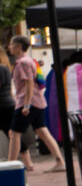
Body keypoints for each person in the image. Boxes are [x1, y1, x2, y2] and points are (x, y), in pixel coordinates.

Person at [6, 35, 65, 171]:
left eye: (11, 44)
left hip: (27, 102)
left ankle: (10, 166)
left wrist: (26, 105)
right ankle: (60, 162)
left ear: (19, 46)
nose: (9, 47)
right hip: (37, 101)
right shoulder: (29, 60)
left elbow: (29, 83)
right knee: (42, 131)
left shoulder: (23, 63)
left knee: (14, 133)